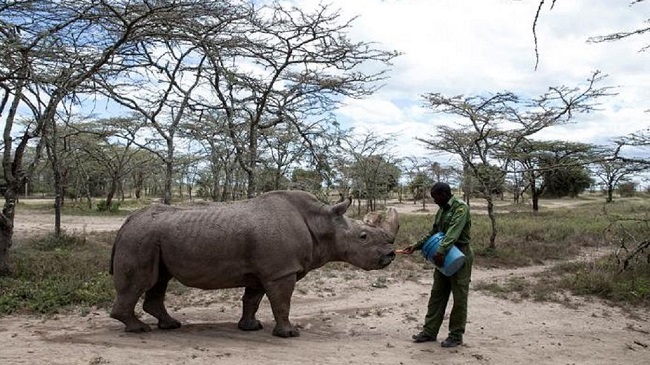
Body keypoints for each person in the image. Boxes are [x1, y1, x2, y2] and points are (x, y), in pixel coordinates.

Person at [401, 182, 473, 348]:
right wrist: (416, 246)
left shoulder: (461, 208)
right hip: (443, 255)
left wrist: (440, 252)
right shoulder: (442, 210)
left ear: (444, 194)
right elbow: (434, 232)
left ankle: (455, 336)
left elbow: (452, 234)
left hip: (459, 255)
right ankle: (429, 332)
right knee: (437, 295)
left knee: (459, 298)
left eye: (435, 197)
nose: (434, 201)